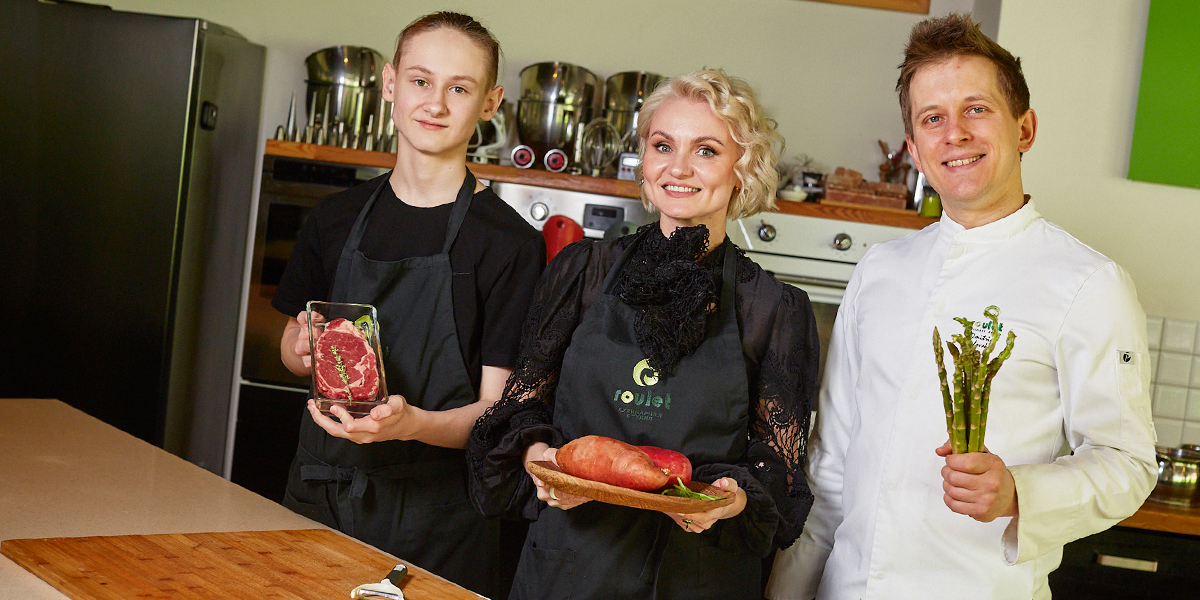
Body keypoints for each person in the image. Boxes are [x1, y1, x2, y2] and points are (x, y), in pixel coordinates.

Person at [766, 13, 1157, 600]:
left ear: (1024, 129)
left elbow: (1128, 463)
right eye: (932, 118)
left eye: (976, 109)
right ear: (915, 150)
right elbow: (830, 465)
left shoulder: (1089, 283)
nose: (955, 134)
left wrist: (1020, 491)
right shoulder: (879, 270)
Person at [466, 69, 819, 600]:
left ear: (742, 171)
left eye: (706, 150)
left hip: (697, 575)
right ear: (645, 162)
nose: (678, 168)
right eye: (662, 145)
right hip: (570, 567)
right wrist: (539, 457)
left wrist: (734, 497)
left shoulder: (772, 307)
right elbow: (521, 408)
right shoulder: (582, 272)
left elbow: (779, 465)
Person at [271, 12, 544, 598]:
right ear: (390, 83)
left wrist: (410, 424)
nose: (436, 104)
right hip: (318, 493)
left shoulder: (509, 244)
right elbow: (294, 353)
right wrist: (297, 349)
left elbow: (496, 416)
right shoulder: (335, 219)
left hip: (436, 520)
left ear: (490, 102)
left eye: (460, 88)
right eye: (421, 81)